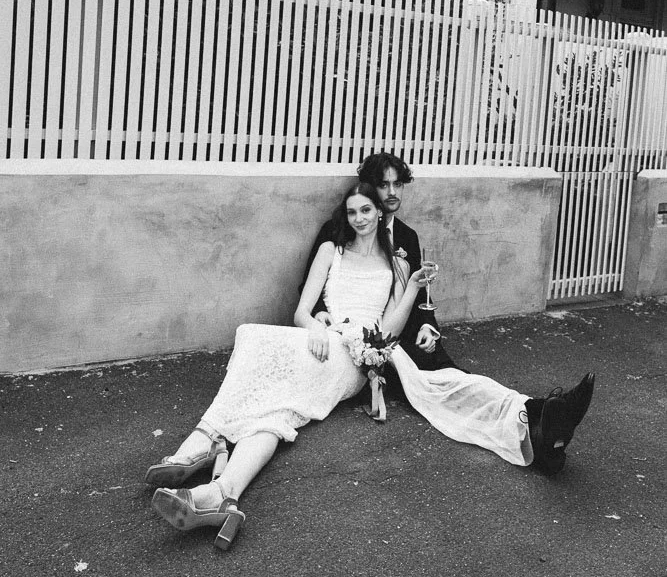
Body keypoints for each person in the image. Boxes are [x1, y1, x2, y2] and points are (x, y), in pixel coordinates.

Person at [146, 182, 595, 551]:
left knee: (429, 386)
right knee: (268, 378)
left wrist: (412, 291)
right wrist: (317, 326)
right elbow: (303, 310)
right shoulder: (330, 251)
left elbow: (390, 326)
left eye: (366, 210)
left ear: (379, 214)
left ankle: (203, 446)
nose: (359, 218)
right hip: (322, 340)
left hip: (359, 354)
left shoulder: (395, 262)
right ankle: (220, 492)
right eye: (353, 211)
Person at [300, 151, 461, 372]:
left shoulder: (407, 236)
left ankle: (462, 382)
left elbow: (420, 288)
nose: (392, 192)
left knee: (434, 357)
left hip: (395, 325)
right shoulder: (336, 230)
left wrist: (427, 325)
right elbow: (310, 282)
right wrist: (318, 315)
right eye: (384, 185)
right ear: (370, 189)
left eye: (398, 184)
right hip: (346, 330)